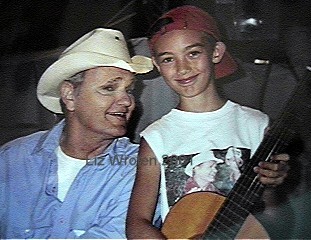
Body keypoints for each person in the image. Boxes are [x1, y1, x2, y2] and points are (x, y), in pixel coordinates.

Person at [126, 5, 290, 239]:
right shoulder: (156, 137)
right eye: (168, 59)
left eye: (193, 53)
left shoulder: (256, 124)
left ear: (216, 52)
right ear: (157, 64)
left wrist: (273, 185)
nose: (182, 68)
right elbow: (137, 223)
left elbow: (273, 219)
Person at [0, 28, 153, 239]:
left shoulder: (140, 167)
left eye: (129, 90)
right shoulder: (12, 159)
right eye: (109, 88)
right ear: (70, 95)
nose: (127, 101)